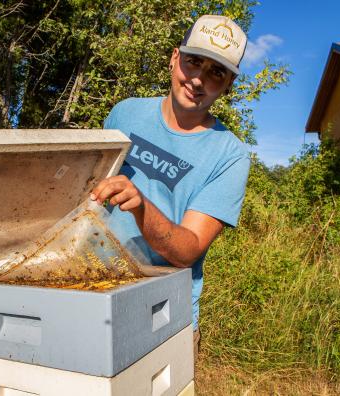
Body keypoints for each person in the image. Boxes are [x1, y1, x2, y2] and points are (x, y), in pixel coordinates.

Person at [90, 15, 251, 361]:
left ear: (228, 86)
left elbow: (188, 250)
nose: (197, 80)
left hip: (162, 313)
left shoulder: (231, 155)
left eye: (216, 73)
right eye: (194, 62)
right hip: (88, 287)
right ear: (174, 58)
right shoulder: (124, 114)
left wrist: (141, 206)